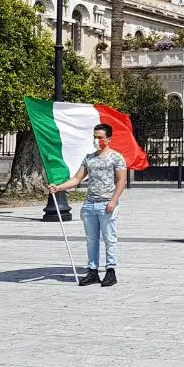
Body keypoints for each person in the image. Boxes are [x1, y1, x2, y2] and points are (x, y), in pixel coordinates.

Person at [48, 123, 128, 287]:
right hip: (90, 204)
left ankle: (110, 270)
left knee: (109, 238)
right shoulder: (89, 158)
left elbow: (121, 180)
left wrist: (113, 200)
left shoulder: (116, 157)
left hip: (106, 204)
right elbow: (77, 179)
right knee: (91, 239)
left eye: (100, 137)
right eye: (95, 137)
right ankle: (92, 270)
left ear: (108, 139)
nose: (97, 140)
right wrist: (59, 187)